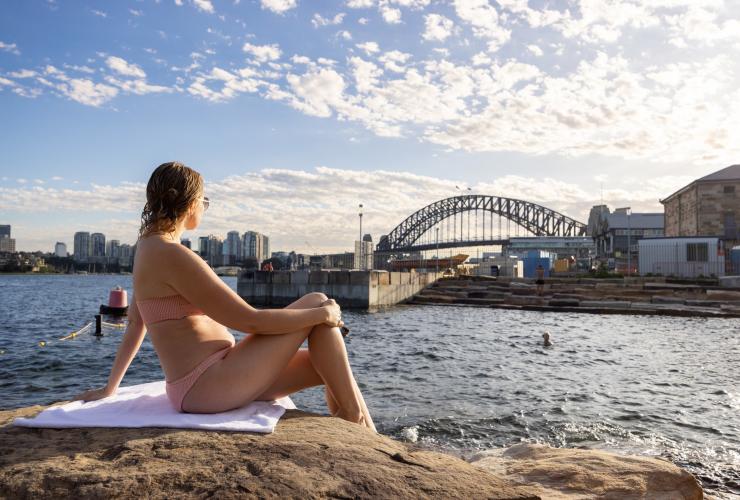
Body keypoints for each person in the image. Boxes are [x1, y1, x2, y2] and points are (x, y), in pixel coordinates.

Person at [75, 162, 375, 431]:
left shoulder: (146, 249)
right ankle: (357, 424)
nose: (204, 207)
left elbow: (135, 324)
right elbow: (249, 320)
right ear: (191, 203)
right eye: (204, 201)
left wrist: (110, 388)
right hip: (207, 384)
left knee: (329, 363)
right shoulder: (171, 254)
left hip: (215, 378)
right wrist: (323, 315)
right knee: (317, 301)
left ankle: (359, 426)